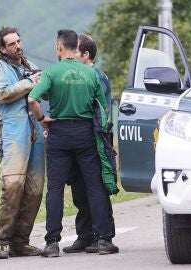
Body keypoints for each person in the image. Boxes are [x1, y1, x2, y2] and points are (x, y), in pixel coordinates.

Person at [28, 29, 119, 257]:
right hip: (86, 134)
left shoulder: (51, 72)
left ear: (59, 47)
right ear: (73, 47)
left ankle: (51, 243)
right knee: (95, 186)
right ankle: (104, 240)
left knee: (55, 189)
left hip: (59, 134)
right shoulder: (91, 74)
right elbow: (103, 108)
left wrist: (42, 119)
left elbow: (32, 99)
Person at [0, 27, 45, 259]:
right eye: (12, 44)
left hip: (36, 132)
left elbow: (43, 92)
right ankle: (2, 240)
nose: (18, 46)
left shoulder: (29, 66)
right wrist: (31, 82)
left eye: (19, 41)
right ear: (2, 49)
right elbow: (1, 94)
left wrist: (43, 80)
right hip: (13, 132)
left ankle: (21, 242)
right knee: (13, 187)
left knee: (35, 189)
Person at [62, 34, 115, 254]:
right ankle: (85, 236)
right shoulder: (77, 75)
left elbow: (99, 112)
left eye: (75, 51)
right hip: (79, 138)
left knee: (97, 189)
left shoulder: (96, 76)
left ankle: (104, 237)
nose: (71, 55)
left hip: (95, 138)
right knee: (80, 190)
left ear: (86, 55)